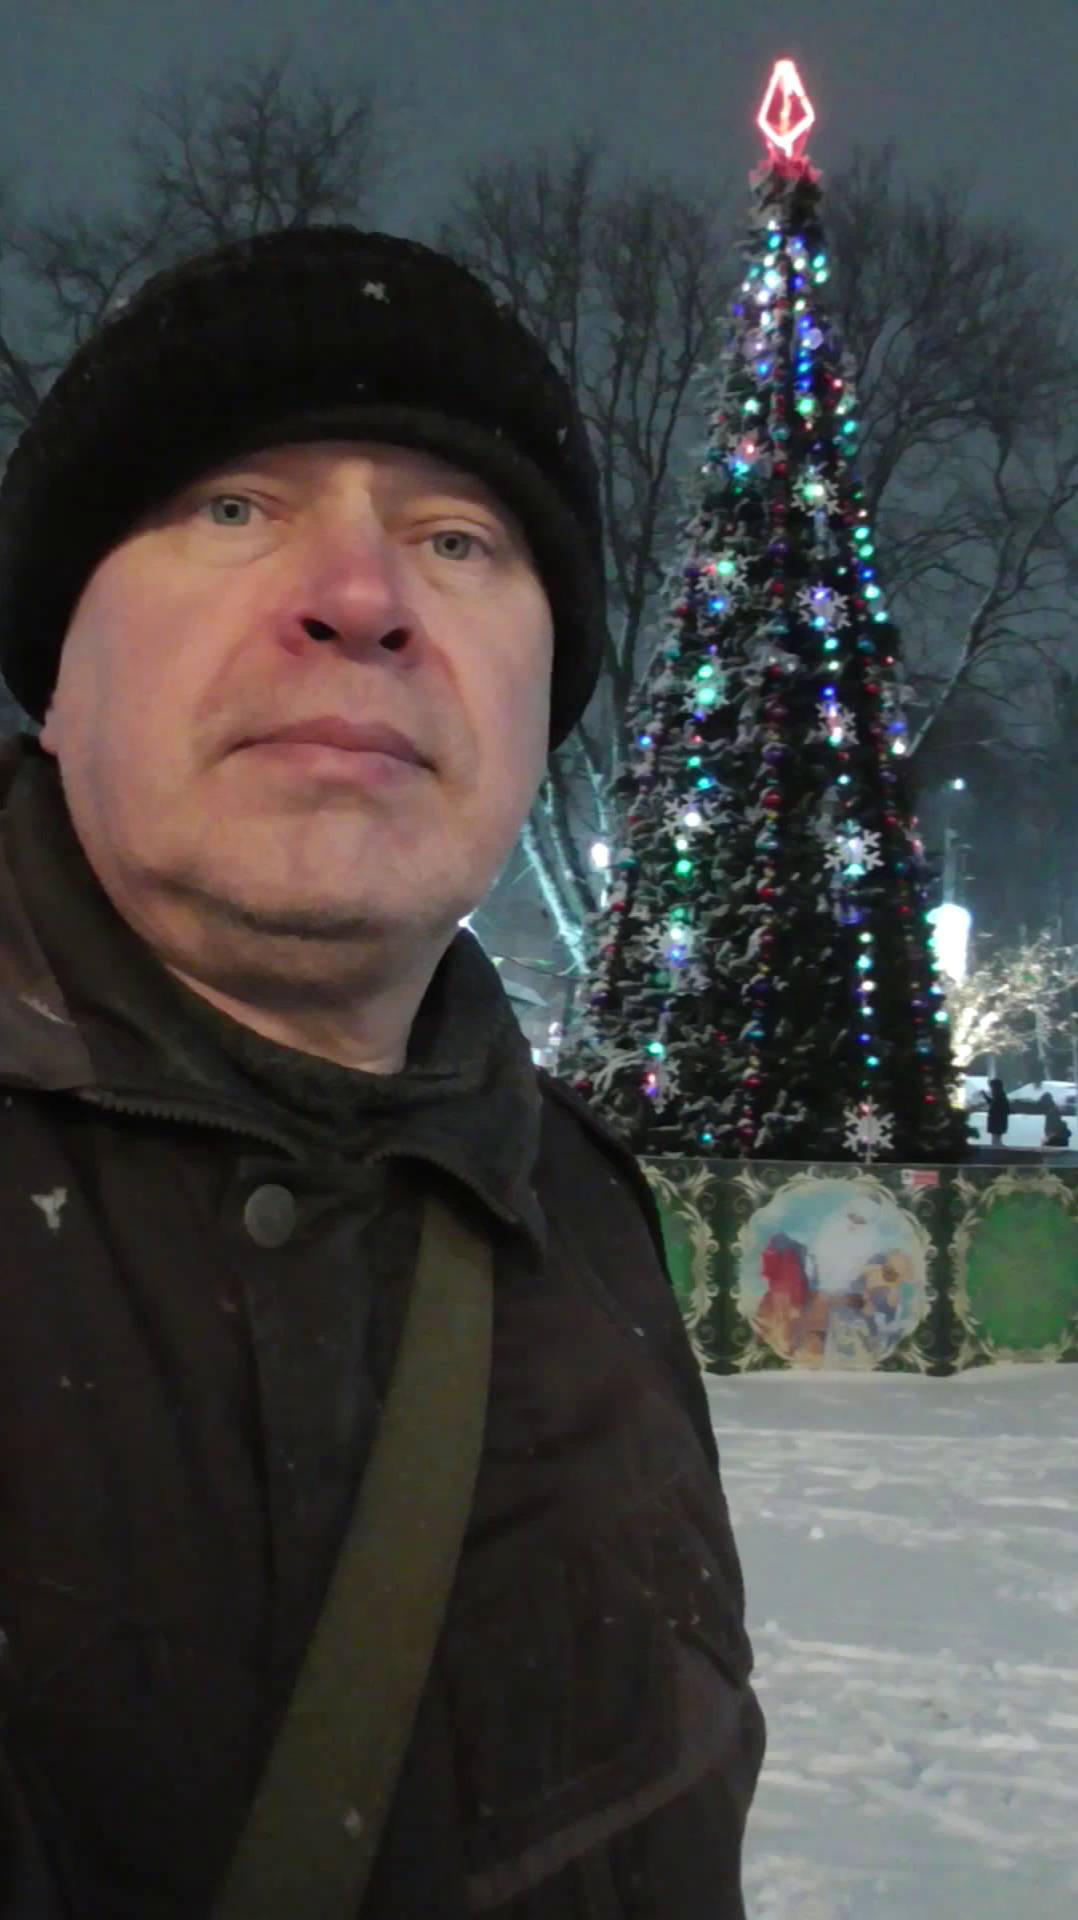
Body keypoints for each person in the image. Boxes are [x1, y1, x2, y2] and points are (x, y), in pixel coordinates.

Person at [0, 228, 764, 1918]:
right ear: (56, 677)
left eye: (456, 539)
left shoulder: (584, 1224)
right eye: (233, 508)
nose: (360, 598)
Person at [984, 1076, 1010, 1148]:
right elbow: (993, 1103)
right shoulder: (1000, 1095)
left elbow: (994, 1104)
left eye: (992, 1087)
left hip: (996, 1117)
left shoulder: (999, 1095)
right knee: (997, 1134)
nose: (991, 1089)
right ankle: (998, 1145)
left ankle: (997, 1145)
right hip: (998, 1117)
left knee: (996, 1134)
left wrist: (985, 1096)